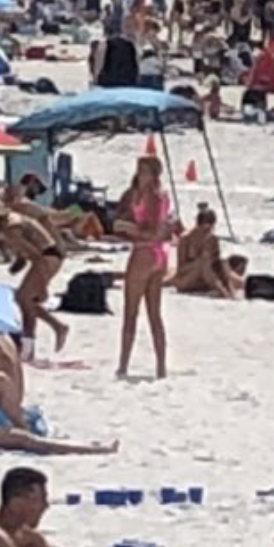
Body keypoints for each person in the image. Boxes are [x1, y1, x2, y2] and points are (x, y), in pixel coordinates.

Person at [116, 154, 173, 379]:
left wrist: (129, 229)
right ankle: (161, 367)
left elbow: (152, 231)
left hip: (145, 251)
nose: (140, 175)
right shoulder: (159, 195)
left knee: (131, 312)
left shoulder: (151, 197)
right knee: (154, 314)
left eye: (144, 171)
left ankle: (123, 365)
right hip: (160, 254)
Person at [0, 205, 70, 354]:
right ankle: (56, 327)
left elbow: (37, 258)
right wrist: (18, 262)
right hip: (49, 254)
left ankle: (30, 347)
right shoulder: (11, 221)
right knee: (23, 299)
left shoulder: (11, 231)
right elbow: (28, 248)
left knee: (24, 299)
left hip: (48, 257)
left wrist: (43, 286)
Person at [174, 205, 241, 298]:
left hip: (205, 279)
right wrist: (199, 261)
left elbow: (217, 265)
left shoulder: (212, 239)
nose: (207, 232)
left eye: (210, 229)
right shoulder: (186, 239)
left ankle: (230, 291)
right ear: (198, 225)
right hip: (185, 279)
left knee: (222, 262)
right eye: (205, 229)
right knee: (203, 263)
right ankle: (222, 292)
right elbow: (181, 269)